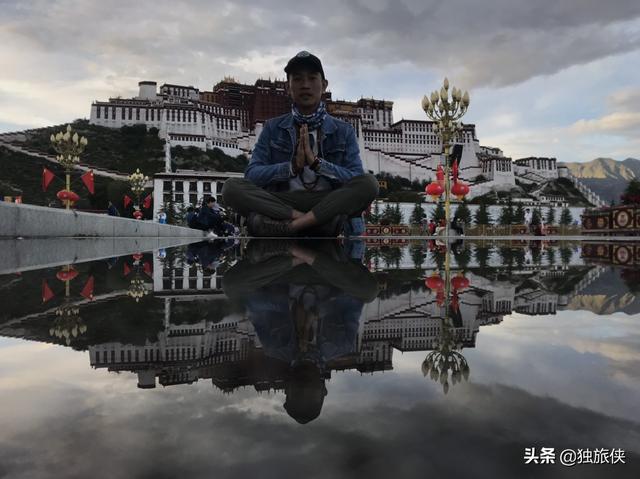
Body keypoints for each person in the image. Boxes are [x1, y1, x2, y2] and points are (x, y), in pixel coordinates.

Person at [221, 51, 378, 237]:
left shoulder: (343, 130)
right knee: (231, 188)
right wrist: (290, 167)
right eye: (298, 79)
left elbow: (355, 179)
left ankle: (290, 227)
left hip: (326, 201)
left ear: (324, 85)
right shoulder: (272, 127)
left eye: (312, 78)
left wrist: (318, 164)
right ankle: (311, 222)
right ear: (288, 87)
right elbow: (252, 175)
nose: (305, 85)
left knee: (369, 183)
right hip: (284, 202)